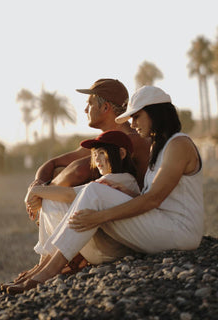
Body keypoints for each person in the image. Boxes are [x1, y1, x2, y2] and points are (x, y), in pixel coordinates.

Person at [7, 85, 204, 294]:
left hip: (180, 232)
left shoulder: (178, 144)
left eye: (137, 116)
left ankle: (47, 274)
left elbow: (154, 200)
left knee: (94, 191)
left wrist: (100, 216)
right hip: (159, 224)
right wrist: (122, 193)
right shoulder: (159, 146)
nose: (133, 123)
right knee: (83, 194)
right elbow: (151, 196)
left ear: (155, 113)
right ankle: (46, 266)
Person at [24, 79, 150, 274]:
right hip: (107, 216)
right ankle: (49, 261)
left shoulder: (128, 141)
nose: (85, 110)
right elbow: (51, 163)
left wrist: (41, 194)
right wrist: (39, 184)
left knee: (66, 180)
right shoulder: (105, 142)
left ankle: (60, 261)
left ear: (106, 107)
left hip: (126, 225)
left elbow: (78, 171)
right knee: (58, 176)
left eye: (89, 103)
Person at [2, 130, 140, 291]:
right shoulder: (112, 180)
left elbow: (70, 194)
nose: (97, 159)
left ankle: (46, 272)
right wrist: (39, 192)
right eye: (95, 154)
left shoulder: (120, 180)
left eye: (102, 153)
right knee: (52, 201)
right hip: (105, 247)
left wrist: (34, 191)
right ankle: (41, 268)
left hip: (112, 251)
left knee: (59, 200)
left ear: (122, 153)